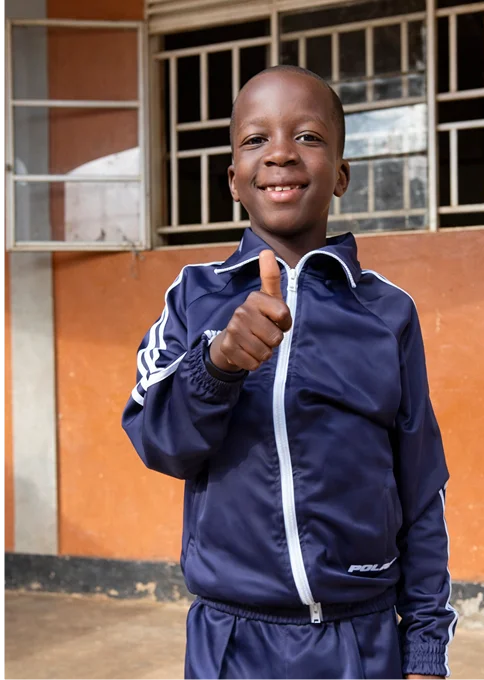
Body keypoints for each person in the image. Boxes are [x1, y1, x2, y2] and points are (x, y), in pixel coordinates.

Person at [122, 65, 458, 680]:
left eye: (308, 136)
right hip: (231, 640)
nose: (280, 152)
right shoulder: (196, 298)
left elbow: (420, 486)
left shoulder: (386, 312)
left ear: (342, 175)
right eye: (256, 140)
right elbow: (157, 441)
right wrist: (217, 364)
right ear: (233, 180)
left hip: (363, 637)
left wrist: (426, 645)